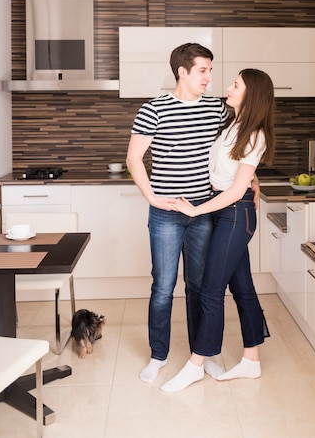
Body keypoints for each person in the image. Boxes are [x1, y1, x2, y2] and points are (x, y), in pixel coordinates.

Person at [126, 43, 260, 384]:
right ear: (182, 72)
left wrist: (253, 181)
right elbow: (133, 158)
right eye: (203, 70)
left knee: (199, 287)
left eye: (211, 70)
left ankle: (201, 356)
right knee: (163, 286)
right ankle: (158, 355)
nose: (209, 77)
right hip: (167, 214)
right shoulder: (153, 109)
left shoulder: (217, 109)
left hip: (204, 211)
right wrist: (152, 198)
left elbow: (240, 145)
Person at [161, 68, 275, 393]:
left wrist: (195, 209)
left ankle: (195, 364)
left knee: (211, 290)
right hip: (225, 210)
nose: (228, 87)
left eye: (235, 84)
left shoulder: (255, 135)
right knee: (242, 289)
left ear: (250, 94)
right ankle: (251, 361)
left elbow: (236, 191)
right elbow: (237, 174)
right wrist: (253, 178)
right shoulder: (233, 125)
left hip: (234, 215)